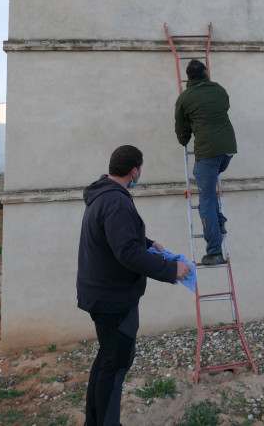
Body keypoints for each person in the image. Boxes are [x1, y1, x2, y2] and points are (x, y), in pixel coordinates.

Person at [77, 144, 191, 426]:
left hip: (102, 294)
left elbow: (119, 237)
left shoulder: (103, 195)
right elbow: (126, 252)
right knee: (115, 364)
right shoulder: (116, 201)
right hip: (114, 299)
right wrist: (172, 269)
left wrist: (149, 243)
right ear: (134, 170)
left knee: (107, 361)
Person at [174, 59, 237, 265]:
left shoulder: (184, 98)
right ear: (206, 73)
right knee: (210, 192)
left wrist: (186, 138)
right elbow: (225, 106)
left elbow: (182, 133)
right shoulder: (219, 89)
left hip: (207, 153)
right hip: (227, 151)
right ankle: (219, 222)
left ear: (188, 78)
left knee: (206, 201)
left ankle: (214, 251)